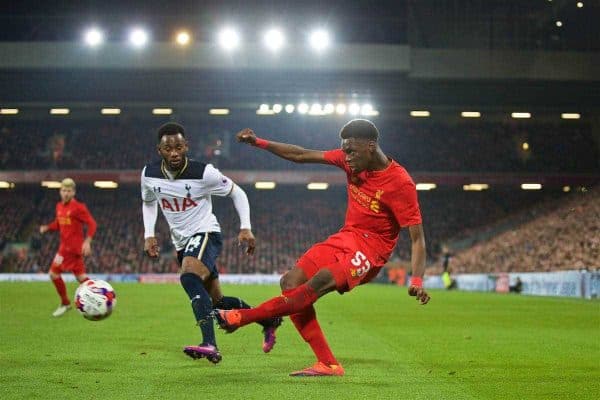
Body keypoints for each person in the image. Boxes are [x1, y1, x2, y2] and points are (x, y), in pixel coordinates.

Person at [215, 119, 431, 376]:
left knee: (317, 283)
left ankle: (242, 317)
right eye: (345, 150)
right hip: (345, 237)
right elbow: (300, 154)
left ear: (371, 146)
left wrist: (417, 279)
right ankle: (328, 363)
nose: (346, 157)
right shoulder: (349, 159)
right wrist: (259, 142)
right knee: (290, 282)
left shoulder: (400, 183)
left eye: (351, 151)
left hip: (371, 250)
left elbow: (417, 238)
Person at [141, 122, 281, 364]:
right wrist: (149, 233)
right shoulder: (149, 175)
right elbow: (149, 201)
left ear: (186, 146)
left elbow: (237, 192)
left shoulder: (204, 173)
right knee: (217, 303)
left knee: (189, 278)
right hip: (182, 243)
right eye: (168, 149)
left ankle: (209, 344)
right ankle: (269, 321)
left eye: (178, 147)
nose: (173, 153)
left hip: (206, 233)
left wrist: (245, 227)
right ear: (159, 151)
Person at [39, 178, 97, 317]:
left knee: (53, 274)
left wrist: (87, 241)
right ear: (60, 192)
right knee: (81, 278)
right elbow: (58, 224)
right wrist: (47, 227)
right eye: (63, 190)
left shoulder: (78, 207)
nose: (66, 193)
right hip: (66, 248)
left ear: (73, 192)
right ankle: (100, 296)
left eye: (69, 191)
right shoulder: (59, 206)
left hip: (70, 249)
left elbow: (92, 223)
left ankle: (65, 303)